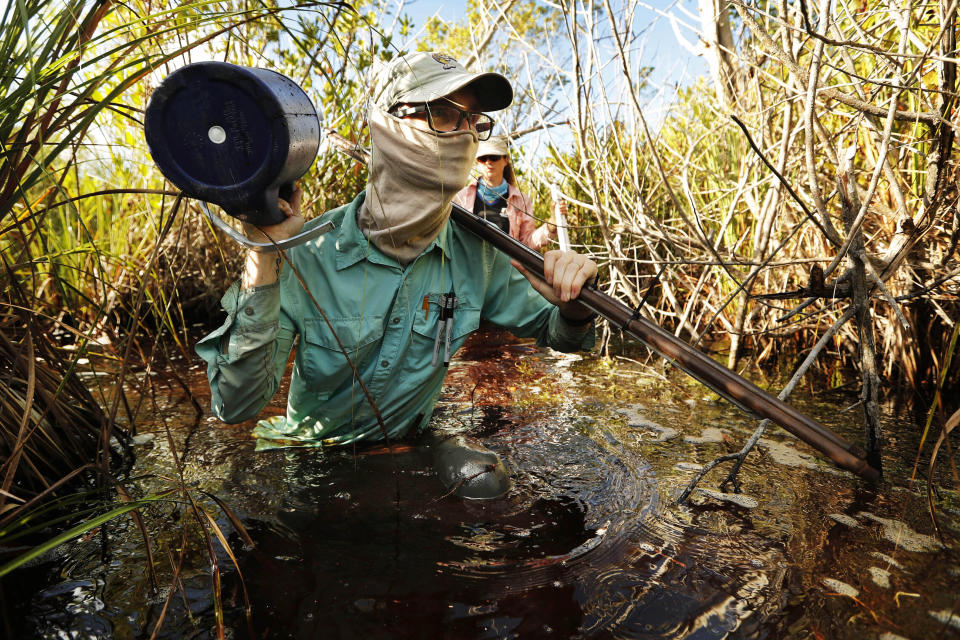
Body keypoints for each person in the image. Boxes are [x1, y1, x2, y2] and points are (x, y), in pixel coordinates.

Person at [196, 52, 598, 450]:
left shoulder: (479, 254)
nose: (465, 135)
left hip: (411, 452)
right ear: (387, 124)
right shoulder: (308, 250)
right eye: (442, 113)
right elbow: (235, 406)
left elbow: (560, 335)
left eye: (475, 121)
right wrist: (263, 256)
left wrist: (574, 304)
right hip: (314, 459)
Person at [453, 135, 566, 251]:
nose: (488, 162)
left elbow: (527, 243)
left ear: (506, 159)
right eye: (483, 158)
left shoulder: (521, 200)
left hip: (505, 267)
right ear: (477, 162)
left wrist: (551, 225)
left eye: (493, 157)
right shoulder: (460, 196)